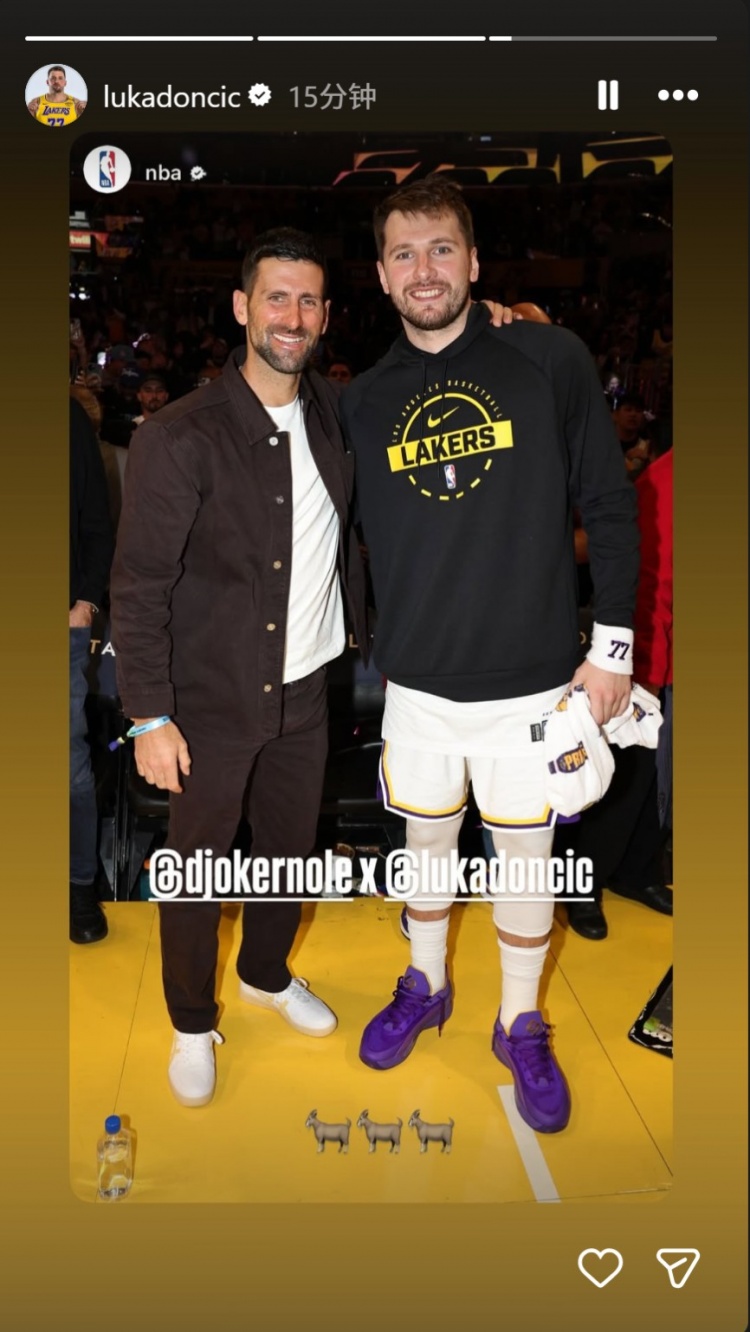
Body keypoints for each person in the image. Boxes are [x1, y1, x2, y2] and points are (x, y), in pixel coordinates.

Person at [341, 177, 639, 1134]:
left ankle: (519, 1022)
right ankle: (425, 984)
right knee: (425, 852)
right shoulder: (363, 401)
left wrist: (614, 647)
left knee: (524, 861)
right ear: (381, 276)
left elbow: (609, 504)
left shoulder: (548, 357)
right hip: (419, 685)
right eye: (403, 253)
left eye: (441, 248)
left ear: (473, 262)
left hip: (534, 685)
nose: (423, 269)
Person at [110, 229, 369, 1109]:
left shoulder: (333, 411)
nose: (292, 317)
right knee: (198, 867)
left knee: (289, 852)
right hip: (210, 700)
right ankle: (191, 1021)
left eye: (309, 300)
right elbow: (139, 586)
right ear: (241, 308)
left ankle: (264, 974)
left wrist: (499, 327)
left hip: (307, 689)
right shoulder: (178, 435)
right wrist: (149, 716)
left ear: (326, 315)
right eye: (276, 297)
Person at [70, 398, 114, 943]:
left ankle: (79, 883)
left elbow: (97, 520)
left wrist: (85, 601)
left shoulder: (67, 419)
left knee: (70, 767)